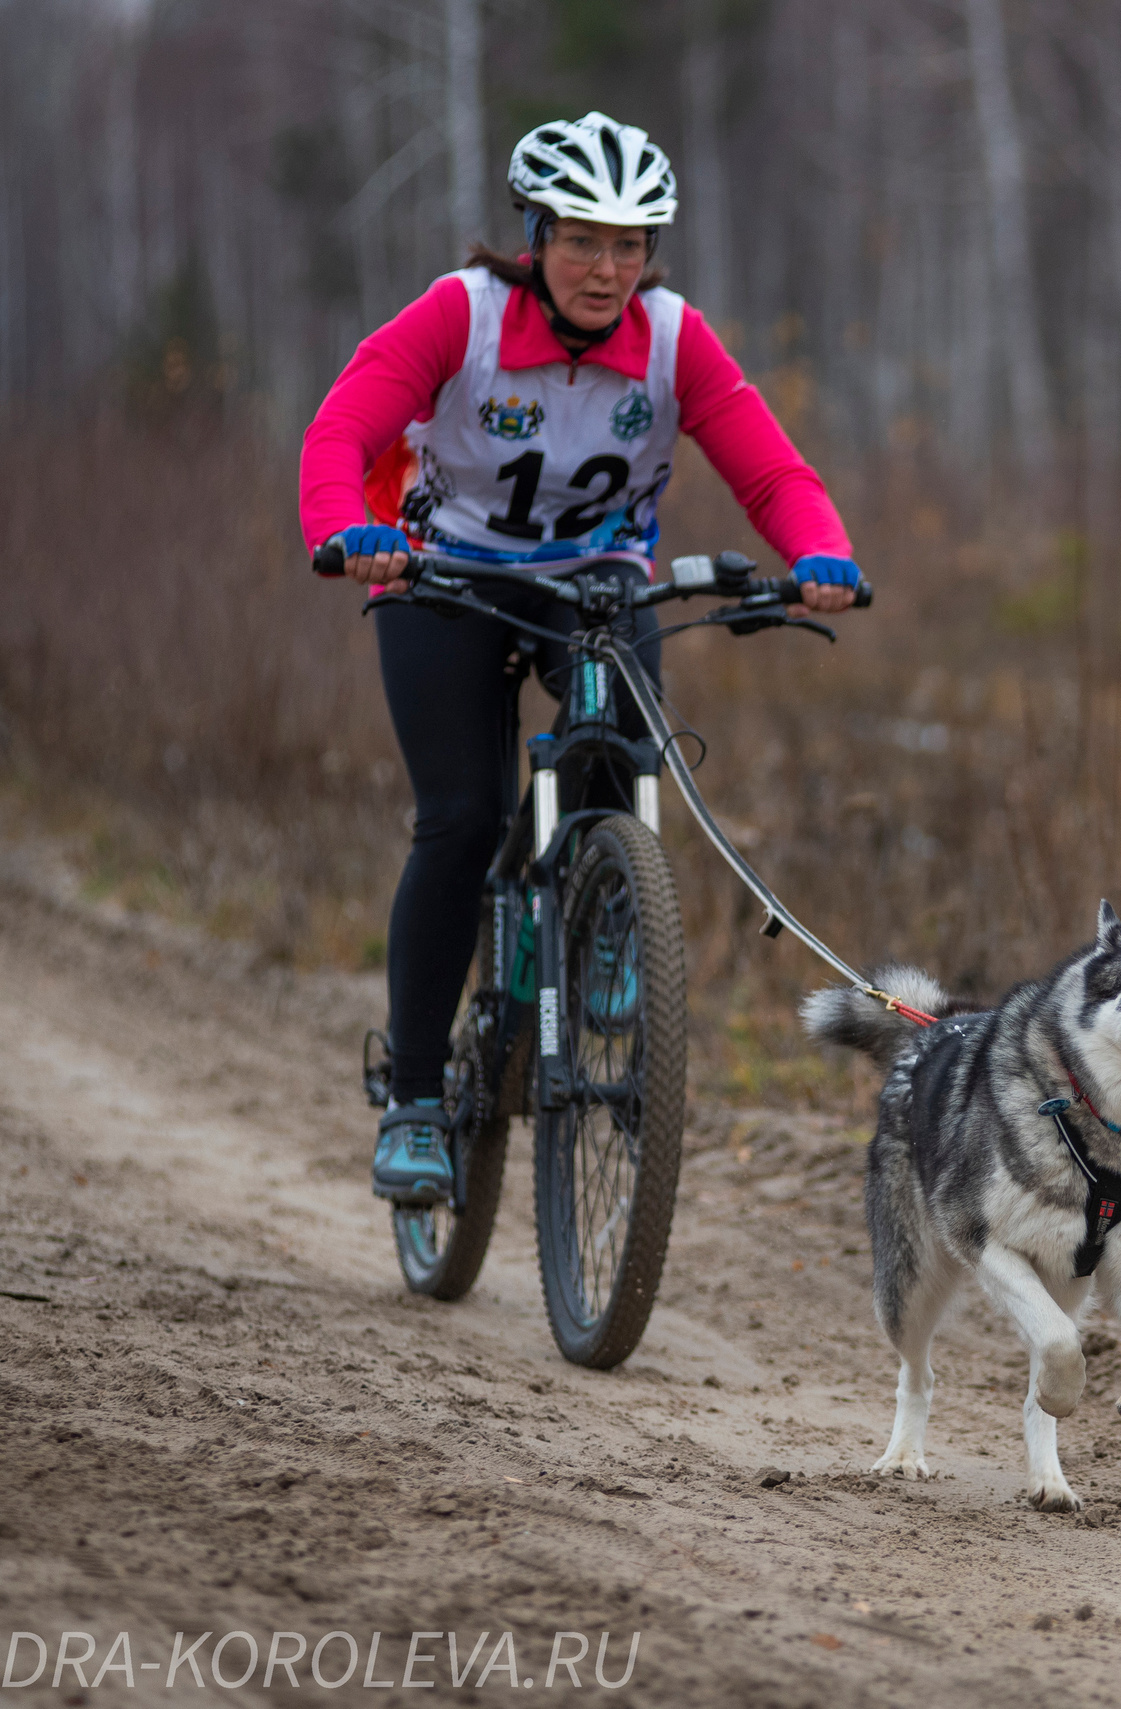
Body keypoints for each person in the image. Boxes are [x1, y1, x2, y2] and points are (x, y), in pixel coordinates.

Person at [299, 112, 861, 1206]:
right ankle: (416, 1097)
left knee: (622, 745)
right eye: (582, 240)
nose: (608, 268)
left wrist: (821, 551)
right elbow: (341, 428)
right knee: (461, 817)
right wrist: (346, 529)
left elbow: (771, 471)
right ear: (534, 234)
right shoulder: (460, 315)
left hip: (597, 580)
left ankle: (611, 920)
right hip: (444, 575)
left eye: (631, 244)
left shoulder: (668, 338)